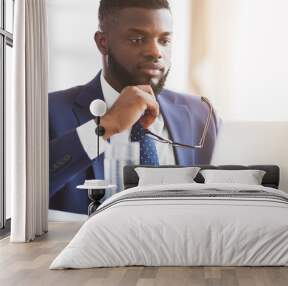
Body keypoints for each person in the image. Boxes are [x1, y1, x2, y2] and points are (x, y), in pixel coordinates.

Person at [49, 0, 219, 214]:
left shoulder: (200, 114)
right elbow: (21, 191)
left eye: (164, 41)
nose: (156, 52)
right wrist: (105, 127)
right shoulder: (50, 111)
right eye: (137, 39)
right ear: (103, 42)